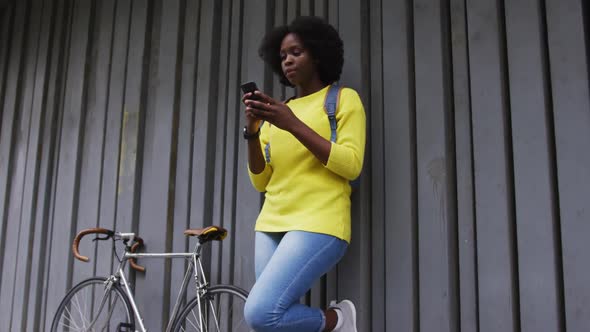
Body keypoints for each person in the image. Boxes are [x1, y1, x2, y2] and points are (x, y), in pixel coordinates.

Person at [241, 16, 366, 332]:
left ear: (318, 54)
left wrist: (292, 123)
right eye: (282, 56)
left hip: (319, 221)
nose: (288, 61)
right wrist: (253, 133)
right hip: (271, 224)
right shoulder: (276, 113)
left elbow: (351, 165)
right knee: (273, 321)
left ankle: (338, 320)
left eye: (296, 52)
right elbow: (260, 180)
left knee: (260, 313)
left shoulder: (342, 99)